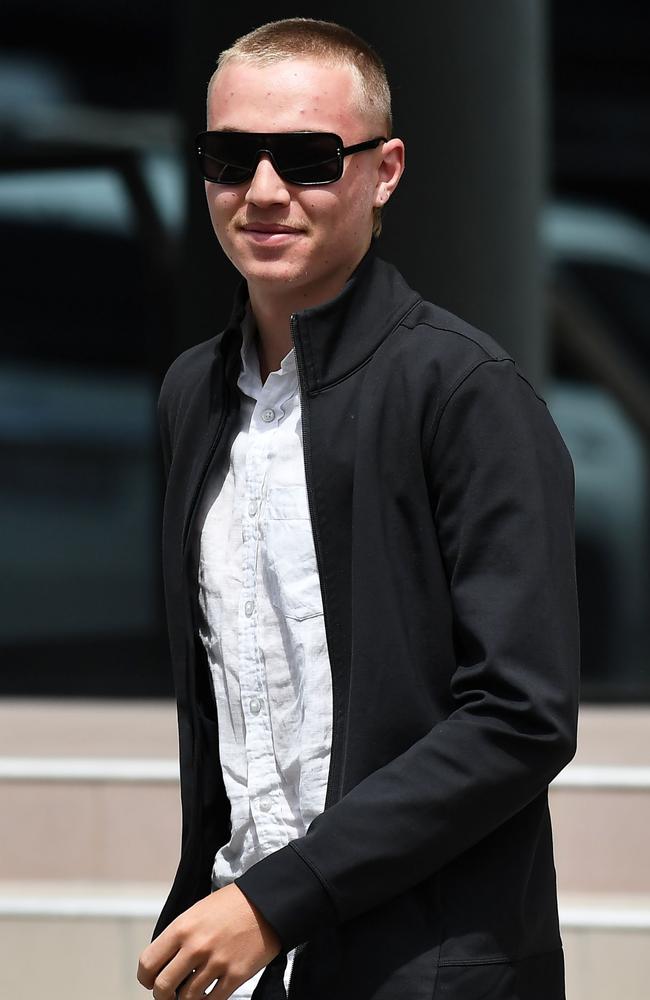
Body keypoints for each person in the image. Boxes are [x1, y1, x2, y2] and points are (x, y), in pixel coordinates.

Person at [137, 17, 579, 1000]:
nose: (260, 191)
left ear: (383, 172)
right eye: (226, 156)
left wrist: (277, 899)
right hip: (240, 961)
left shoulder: (464, 392)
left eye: (305, 158)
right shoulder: (190, 395)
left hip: (424, 972)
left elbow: (519, 715)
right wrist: (231, 905)